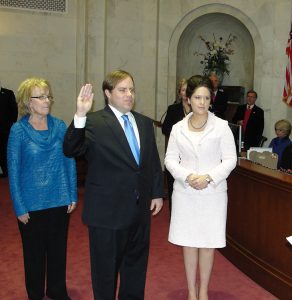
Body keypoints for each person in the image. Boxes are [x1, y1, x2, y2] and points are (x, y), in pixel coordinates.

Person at [63, 70, 164, 300]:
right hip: (107, 214)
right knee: (105, 274)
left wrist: (157, 192)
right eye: (122, 90)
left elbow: (151, 162)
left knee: (136, 270)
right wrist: (80, 114)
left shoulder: (144, 122)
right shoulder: (93, 122)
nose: (129, 94)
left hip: (139, 213)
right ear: (108, 93)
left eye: (131, 90)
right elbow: (70, 149)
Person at [164, 75, 237, 300]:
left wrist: (208, 177)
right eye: (197, 97)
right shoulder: (177, 128)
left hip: (212, 194)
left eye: (206, 97)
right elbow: (169, 160)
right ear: (188, 98)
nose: (202, 102)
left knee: (207, 244)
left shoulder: (222, 127)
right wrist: (187, 176)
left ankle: (203, 290)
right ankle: (191, 291)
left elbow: (230, 160)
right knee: (188, 243)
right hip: (186, 193)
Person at [7, 78, 77, 300]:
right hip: (31, 204)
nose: (47, 100)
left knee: (58, 252)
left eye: (49, 95)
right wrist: (19, 207)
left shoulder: (59, 126)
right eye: (42, 96)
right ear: (28, 102)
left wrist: (72, 194)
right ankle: (35, 294)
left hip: (59, 199)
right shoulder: (18, 131)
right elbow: (14, 171)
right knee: (34, 255)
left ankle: (57, 290)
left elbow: (69, 161)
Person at [162, 78, 190, 213]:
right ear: (179, 93)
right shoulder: (173, 109)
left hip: (191, 155)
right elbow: (165, 128)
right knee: (174, 187)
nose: (185, 93)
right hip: (176, 154)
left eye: (188, 90)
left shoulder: (198, 108)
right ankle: (174, 214)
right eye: (183, 90)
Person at [0, 83, 18, 177]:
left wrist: (9, 125)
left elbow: (14, 110)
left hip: (5, 131)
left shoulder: (8, 93)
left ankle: (7, 174)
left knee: (5, 152)